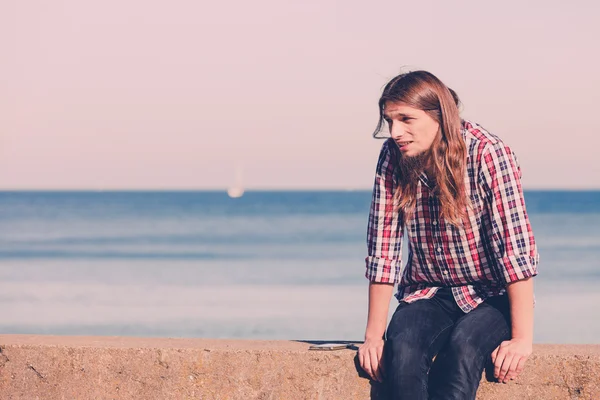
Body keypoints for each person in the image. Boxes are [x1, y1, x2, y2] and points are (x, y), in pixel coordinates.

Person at [357, 70, 539, 400]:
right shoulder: (392, 157)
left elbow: (516, 250)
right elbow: (384, 250)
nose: (396, 132)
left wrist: (522, 339)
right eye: (390, 121)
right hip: (427, 293)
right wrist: (373, 336)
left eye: (406, 119)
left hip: (491, 295)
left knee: (463, 350)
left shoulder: (488, 153)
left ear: (438, 114)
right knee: (403, 353)